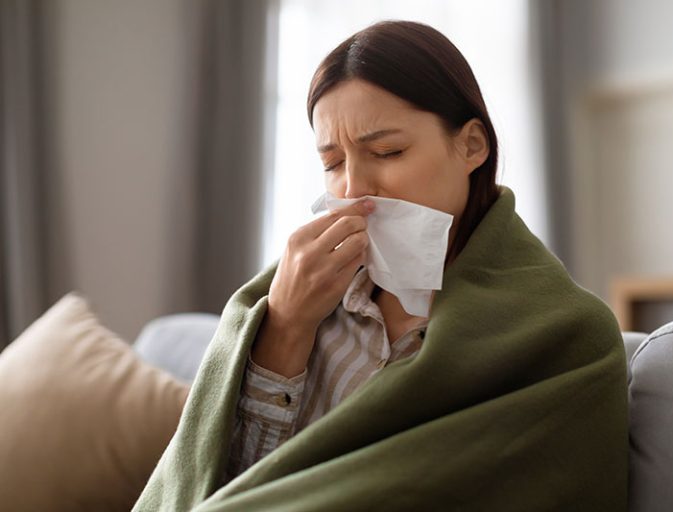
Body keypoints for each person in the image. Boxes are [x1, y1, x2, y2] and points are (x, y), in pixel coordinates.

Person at [133, 20, 628, 512]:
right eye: (332, 163)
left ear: (472, 146)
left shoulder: (564, 336)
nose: (353, 188)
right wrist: (285, 326)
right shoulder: (294, 300)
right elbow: (225, 488)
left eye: (387, 151)